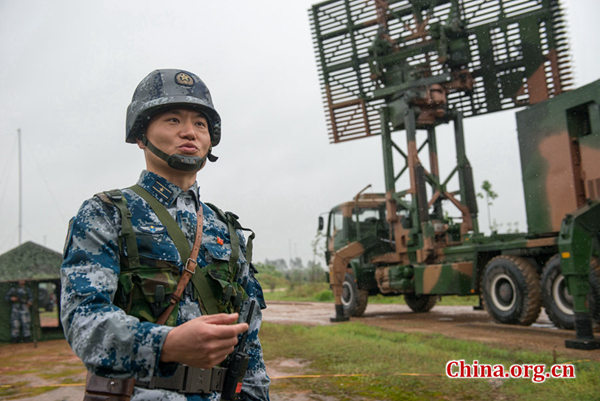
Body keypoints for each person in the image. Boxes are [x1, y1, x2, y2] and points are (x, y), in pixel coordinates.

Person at [60, 69, 270, 401]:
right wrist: (166, 344)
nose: (190, 132)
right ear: (141, 136)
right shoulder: (107, 213)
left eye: (200, 123)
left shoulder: (226, 230)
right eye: (173, 120)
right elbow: (82, 321)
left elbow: (249, 341)